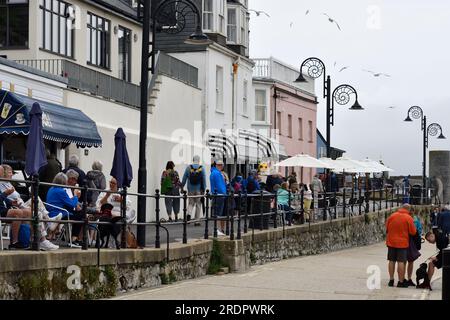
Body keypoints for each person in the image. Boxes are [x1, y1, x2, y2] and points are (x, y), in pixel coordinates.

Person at [46, 172, 83, 247]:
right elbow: (72, 204)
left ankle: (73, 239)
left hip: (51, 212)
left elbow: (66, 201)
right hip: (59, 213)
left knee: (78, 214)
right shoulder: (61, 191)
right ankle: (73, 239)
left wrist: (73, 198)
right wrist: (76, 196)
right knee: (81, 216)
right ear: (63, 182)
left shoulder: (51, 189)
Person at [385, 203, 417, 288]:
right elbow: (413, 232)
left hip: (391, 242)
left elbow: (386, 228)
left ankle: (391, 280)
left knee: (391, 260)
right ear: (409, 210)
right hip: (402, 243)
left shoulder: (392, 216)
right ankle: (400, 281)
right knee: (401, 262)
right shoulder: (408, 218)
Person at [181, 155, 206, 226]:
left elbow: (184, 178)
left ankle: (189, 214)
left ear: (193, 160)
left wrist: (182, 187)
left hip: (190, 189)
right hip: (199, 189)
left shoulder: (188, 168)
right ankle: (196, 221)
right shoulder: (202, 168)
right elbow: (204, 179)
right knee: (198, 204)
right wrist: (204, 188)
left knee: (190, 203)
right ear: (199, 160)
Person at [405, 206, 423, 286]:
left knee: (410, 260)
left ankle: (408, 278)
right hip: (406, 240)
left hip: (412, 241)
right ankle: (404, 278)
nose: (411, 213)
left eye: (411, 211)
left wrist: (416, 233)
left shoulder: (416, 219)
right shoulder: (407, 218)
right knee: (404, 260)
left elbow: (419, 229)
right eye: (410, 212)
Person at [210, 160, 227, 236]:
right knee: (218, 213)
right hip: (219, 195)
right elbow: (220, 185)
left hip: (216, 194)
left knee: (217, 213)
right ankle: (216, 230)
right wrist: (224, 193)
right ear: (219, 165)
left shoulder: (213, 173)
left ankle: (216, 229)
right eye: (222, 165)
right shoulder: (217, 173)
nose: (222, 167)